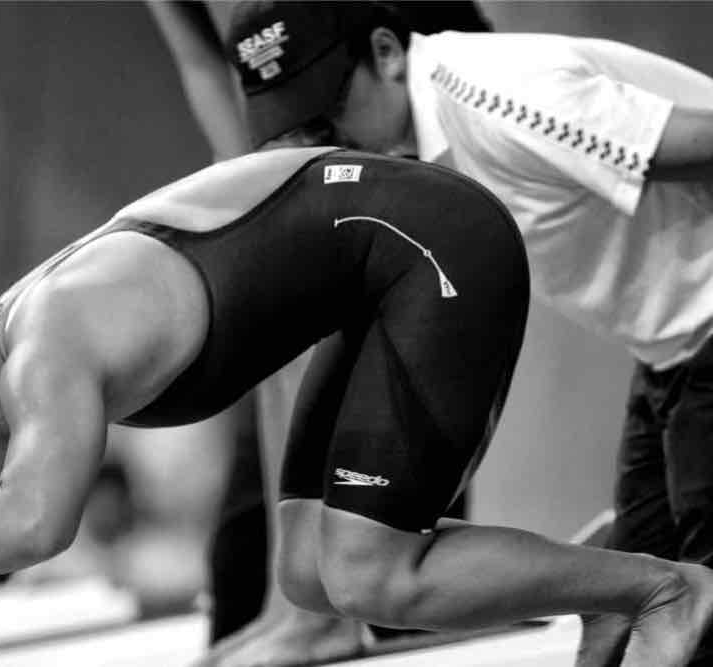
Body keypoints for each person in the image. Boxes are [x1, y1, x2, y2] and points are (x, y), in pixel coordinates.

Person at [0, 147, 713, 666]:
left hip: (428, 248)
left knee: (366, 572)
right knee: (307, 569)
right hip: (373, 269)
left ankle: (663, 587)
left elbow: (32, 525)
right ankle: (593, 582)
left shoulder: (48, 350)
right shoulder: (8, 355)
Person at [220, 2, 713, 665]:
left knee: (697, 620)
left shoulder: (500, 96)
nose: (326, 137)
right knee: (632, 617)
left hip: (703, 330)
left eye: (328, 108)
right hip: (668, 354)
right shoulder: (411, 152)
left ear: (387, 53)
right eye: (300, 122)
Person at [147, 3, 491, 663]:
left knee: (373, 459)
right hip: (298, 92)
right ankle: (297, 607)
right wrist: (243, 192)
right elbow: (205, 62)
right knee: (245, 561)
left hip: (378, 75)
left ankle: (324, 612)